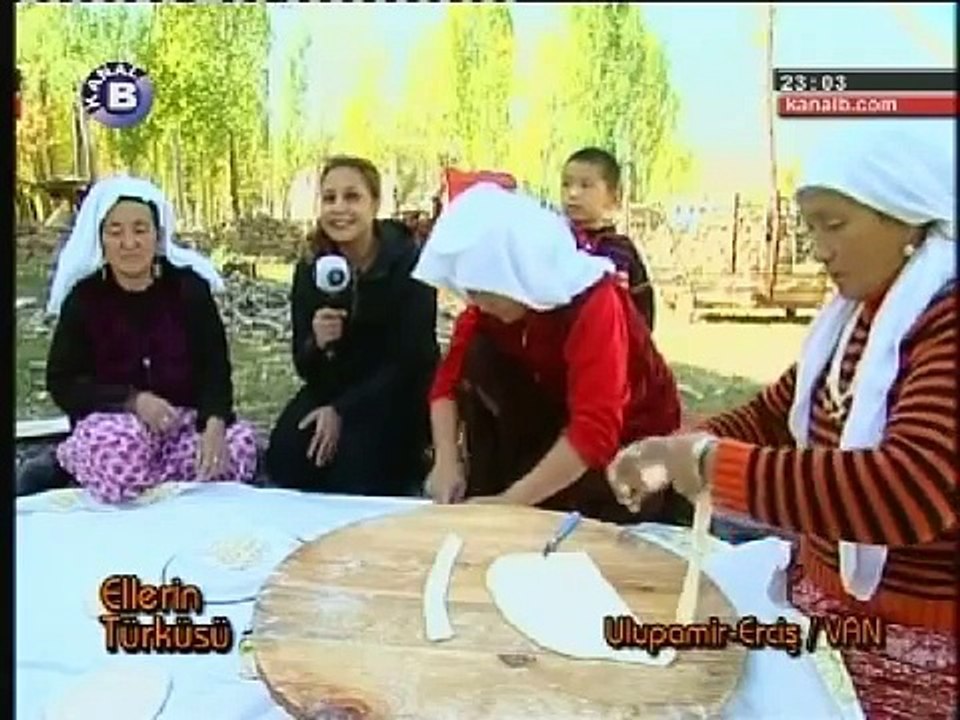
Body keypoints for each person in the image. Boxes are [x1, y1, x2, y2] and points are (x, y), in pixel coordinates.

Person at [607, 121, 956, 719]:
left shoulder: (943, 326)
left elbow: (911, 488)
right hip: (828, 620)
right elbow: (776, 416)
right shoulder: (855, 321)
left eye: (835, 224)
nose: (819, 249)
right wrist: (676, 447)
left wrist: (709, 466)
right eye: (810, 226)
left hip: (915, 658)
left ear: (907, 216)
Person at [416, 182, 687, 524]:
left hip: (632, 439)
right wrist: (446, 460)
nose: (478, 302)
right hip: (555, 414)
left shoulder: (594, 303)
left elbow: (595, 430)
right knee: (480, 356)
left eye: (484, 292)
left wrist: (511, 503)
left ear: (516, 274)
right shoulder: (488, 309)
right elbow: (446, 384)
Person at [43, 176, 259, 503]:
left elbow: (215, 366)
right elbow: (63, 383)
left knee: (238, 448)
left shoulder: (189, 289)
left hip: (181, 423)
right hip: (116, 427)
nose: (129, 243)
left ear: (157, 236)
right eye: (115, 232)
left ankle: (150, 485)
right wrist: (133, 401)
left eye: (140, 230)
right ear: (101, 239)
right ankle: (78, 459)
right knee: (121, 458)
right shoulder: (85, 299)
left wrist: (214, 423)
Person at [265, 156, 438, 496]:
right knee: (287, 457)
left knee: (354, 473)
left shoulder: (410, 263)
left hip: (394, 394)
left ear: (375, 203)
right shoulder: (311, 266)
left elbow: (411, 361)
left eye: (352, 197)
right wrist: (316, 342)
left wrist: (342, 411)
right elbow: (304, 365)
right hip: (333, 388)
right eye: (329, 198)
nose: (339, 208)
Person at [562, 147, 656, 330]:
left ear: (613, 197)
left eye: (585, 185)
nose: (572, 193)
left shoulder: (621, 251)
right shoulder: (554, 242)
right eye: (566, 184)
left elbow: (643, 308)